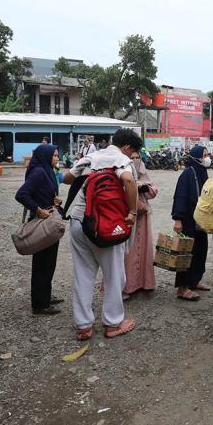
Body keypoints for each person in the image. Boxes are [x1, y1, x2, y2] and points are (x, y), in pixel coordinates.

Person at [64, 128, 143, 341]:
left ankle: (83, 326)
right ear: (127, 148)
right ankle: (113, 323)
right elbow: (127, 180)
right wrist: (133, 211)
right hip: (107, 224)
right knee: (114, 274)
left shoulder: (92, 156)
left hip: (79, 220)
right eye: (133, 152)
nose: (132, 157)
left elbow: (66, 178)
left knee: (83, 273)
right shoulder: (120, 159)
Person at [15, 144, 63, 315]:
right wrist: (38, 209)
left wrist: (55, 202)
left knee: (50, 263)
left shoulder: (48, 170)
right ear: (45, 156)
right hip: (41, 223)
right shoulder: (39, 172)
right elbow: (21, 194)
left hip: (50, 221)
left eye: (57, 155)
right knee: (42, 264)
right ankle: (39, 304)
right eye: (55, 155)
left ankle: (46, 297)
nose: (57, 158)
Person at [171, 145, 212, 301]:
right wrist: (177, 219)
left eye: (208, 154)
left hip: (200, 221)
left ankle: (194, 281)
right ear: (195, 157)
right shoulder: (187, 174)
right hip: (188, 221)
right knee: (186, 254)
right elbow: (180, 197)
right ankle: (182, 288)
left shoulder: (202, 172)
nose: (207, 158)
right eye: (204, 155)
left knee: (200, 251)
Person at [123, 150, 157, 299]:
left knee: (144, 250)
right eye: (132, 158)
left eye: (138, 158)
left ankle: (144, 283)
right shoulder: (123, 173)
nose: (136, 160)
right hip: (128, 216)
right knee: (128, 252)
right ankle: (127, 286)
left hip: (143, 217)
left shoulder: (144, 173)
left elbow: (153, 191)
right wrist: (134, 187)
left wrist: (146, 188)